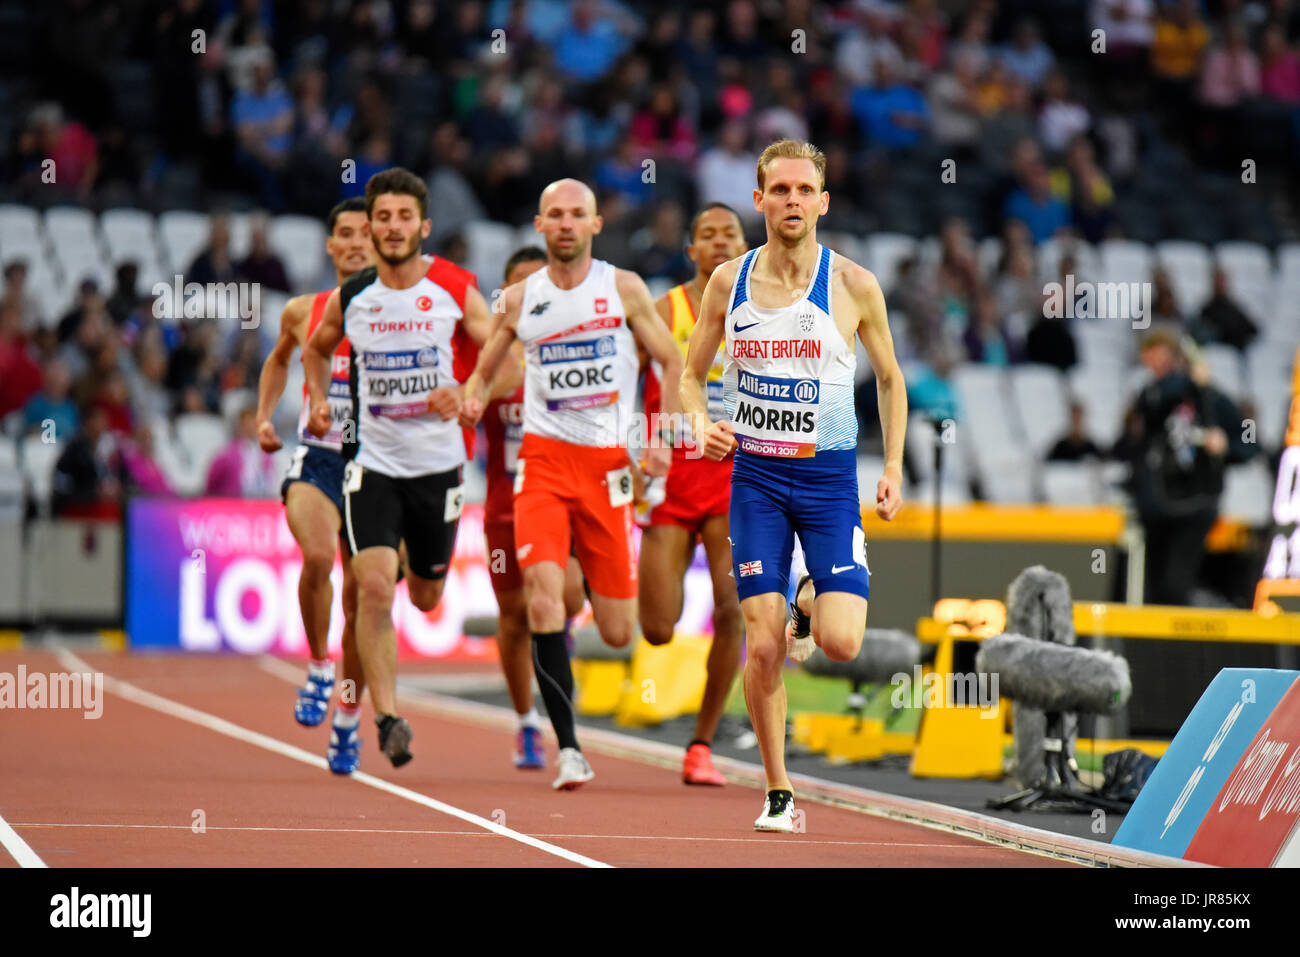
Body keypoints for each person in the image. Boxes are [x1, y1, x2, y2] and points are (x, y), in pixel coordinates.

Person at [680, 140, 906, 832]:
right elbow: (690, 377)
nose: (791, 202)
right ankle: (778, 789)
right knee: (764, 638)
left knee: (839, 642)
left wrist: (893, 466)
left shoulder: (855, 285)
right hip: (757, 478)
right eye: (778, 190)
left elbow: (892, 380)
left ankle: (812, 595)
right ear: (759, 200)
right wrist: (700, 426)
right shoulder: (729, 282)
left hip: (830, 480)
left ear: (822, 201)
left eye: (804, 190)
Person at [460, 178, 684, 791]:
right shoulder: (516, 298)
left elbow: (670, 358)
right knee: (541, 598)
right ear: (539, 224)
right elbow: (484, 371)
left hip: (608, 468)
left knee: (617, 629)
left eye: (576, 215)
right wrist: (473, 395)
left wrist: (657, 435)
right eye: (553, 214)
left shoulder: (625, 288)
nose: (564, 223)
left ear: (594, 224)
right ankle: (568, 748)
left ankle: (581, 607)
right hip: (543, 465)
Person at [304, 168, 492, 768]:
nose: (390, 227)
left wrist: (467, 390)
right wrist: (314, 398)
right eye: (381, 217)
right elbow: (314, 346)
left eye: (402, 217)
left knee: (428, 597)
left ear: (423, 226)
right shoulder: (354, 294)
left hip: (439, 468)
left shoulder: (455, 287)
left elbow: (501, 352)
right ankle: (386, 717)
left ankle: (419, 559)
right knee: (374, 588)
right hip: (372, 463)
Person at [255, 197, 372, 772]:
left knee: (364, 602)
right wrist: (263, 416)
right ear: (330, 245)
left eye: (365, 234)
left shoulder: (405, 314)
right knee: (319, 556)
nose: (355, 243)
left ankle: (348, 721)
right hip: (319, 459)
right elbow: (278, 362)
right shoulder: (304, 310)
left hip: (377, 467)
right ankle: (319, 665)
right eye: (345, 234)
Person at [638, 202, 748, 786]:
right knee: (657, 626)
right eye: (706, 234)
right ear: (692, 252)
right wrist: (639, 446)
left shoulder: (767, 309)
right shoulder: (665, 308)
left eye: (729, 233)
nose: (718, 241)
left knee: (734, 608)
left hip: (737, 473)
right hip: (674, 474)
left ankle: (701, 744)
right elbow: (624, 382)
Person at [481, 246, 589, 771]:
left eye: (536, 281)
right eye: (516, 284)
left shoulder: (574, 343)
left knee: (564, 595)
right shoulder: (493, 356)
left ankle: (561, 628)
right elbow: (464, 405)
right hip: (504, 506)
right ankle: (526, 722)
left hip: (561, 500)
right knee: (512, 617)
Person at [1122, 331, 1254, 605]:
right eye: (1150, 360)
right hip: (1156, 506)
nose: (1155, 367)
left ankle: (1180, 644)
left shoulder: (1211, 399)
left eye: (1161, 358)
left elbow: (1249, 438)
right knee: (1152, 590)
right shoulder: (1150, 397)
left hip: (1195, 504)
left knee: (1175, 585)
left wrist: (1225, 444)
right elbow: (1132, 445)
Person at [205, 407, 280, 497]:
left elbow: (270, 480)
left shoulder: (266, 454)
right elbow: (212, 483)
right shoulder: (227, 454)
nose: (253, 427)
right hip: (233, 502)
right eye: (249, 423)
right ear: (241, 425)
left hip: (261, 501)